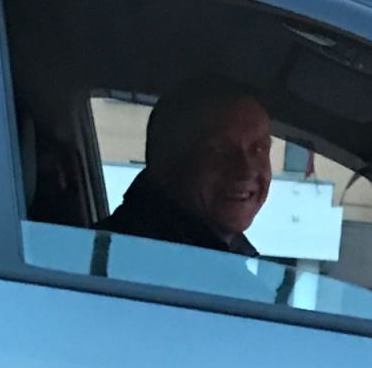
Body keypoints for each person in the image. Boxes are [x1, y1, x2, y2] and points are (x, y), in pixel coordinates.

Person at [97, 75, 272, 256]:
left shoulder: (224, 254)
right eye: (218, 150)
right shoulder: (129, 255)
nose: (246, 170)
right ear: (165, 162)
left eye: (258, 149)